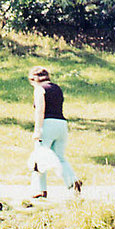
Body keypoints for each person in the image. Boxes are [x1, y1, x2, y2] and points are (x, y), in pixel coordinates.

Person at [27, 66, 81, 199]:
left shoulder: (40, 89)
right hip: (62, 124)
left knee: (39, 158)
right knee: (60, 157)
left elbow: (40, 110)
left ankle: (40, 190)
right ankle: (73, 181)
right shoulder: (57, 88)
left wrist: (37, 131)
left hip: (47, 124)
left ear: (34, 79)